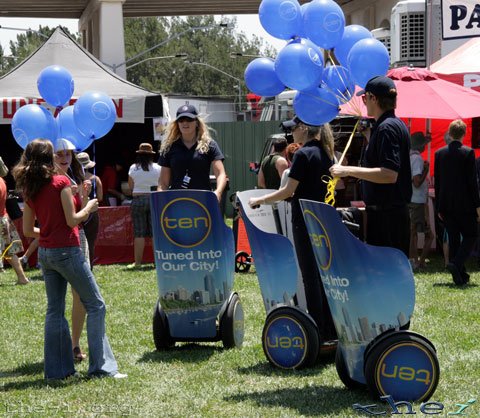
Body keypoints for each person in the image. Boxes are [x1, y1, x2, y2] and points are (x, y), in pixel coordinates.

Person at [12, 139, 126, 379]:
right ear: (49, 158)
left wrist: (53, 231)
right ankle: (101, 368)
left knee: (55, 310)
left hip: (46, 254)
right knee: (96, 305)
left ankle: (57, 371)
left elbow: (28, 229)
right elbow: (74, 220)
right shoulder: (61, 182)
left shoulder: (31, 188)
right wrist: (90, 206)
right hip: (68, 251)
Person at [249, 123, 337, 342]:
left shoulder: (303, 154)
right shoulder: (327, 154)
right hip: (324, 219)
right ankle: (331, 328)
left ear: (305, 128)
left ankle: (319, 330)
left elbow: (288, 191)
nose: (291, 132)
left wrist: (259, 200)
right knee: (323, 275)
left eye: (294, 128)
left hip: (305, 220)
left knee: (310, 277)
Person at [330, 75, 412, 257]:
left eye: (364, 98)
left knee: (386, 272)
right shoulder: (393, 125)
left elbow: (389, 174)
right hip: (389, 213)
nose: (364, 102)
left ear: (373, 98)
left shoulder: (386, 128)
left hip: (387, 216)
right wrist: (369, 136)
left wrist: (347, 170)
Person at [54, 139, 91, 362]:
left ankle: (74, 344)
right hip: (61, 241)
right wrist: (86, 205)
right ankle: (62, 346)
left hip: (78, 237)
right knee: (58, 300)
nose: (65, 157)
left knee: (80, 296)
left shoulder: (72, 178)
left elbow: (81, 217)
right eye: (59, 154)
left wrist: (83, 196)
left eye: (68, 153)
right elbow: (69, 218)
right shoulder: (50, 181)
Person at [434, 119, 480, 286]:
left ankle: (459, 276)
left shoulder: (439, 154)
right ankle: (457, 263)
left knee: (453, 239)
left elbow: (437, 181)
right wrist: (478, 206)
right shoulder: (468, 153)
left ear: (449, 132)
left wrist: (439, 205)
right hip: (465, 204)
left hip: (446, 204)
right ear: (464, 133)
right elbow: (472, 183)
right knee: (471, 235)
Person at [157, 104, 227, 203]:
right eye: (181, 120)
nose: (185, 123)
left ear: (197, 122)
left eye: (189, 119)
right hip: (177, 201)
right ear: (177, 124)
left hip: (203, 201)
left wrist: (218, 192)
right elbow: (163, 182)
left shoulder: (209, 144)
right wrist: (161, 198)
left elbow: (221, 174)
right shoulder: (169, 147)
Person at [127, 143, 161, 269]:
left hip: (138, 199)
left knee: (139, 233)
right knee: (155, 233)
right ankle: (157, 262)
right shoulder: (158, 167)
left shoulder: (133, 168)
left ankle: (138, 262)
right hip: (154, 200)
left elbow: (130, 187)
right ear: (151, 155)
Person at [408, 132, 434, 270]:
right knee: (429, 235)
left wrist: (428, 138)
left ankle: (414, 261)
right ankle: (420, 262)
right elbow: (417, 182)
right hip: (418, 200)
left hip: (411, 198)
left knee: (412, 232)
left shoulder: (409, 157)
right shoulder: (417, 159)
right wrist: (426, 170)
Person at [0, 166, 29, 284]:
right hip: (3, 218)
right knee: (10, 251)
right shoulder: (2, 181)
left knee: (9, 252)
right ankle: (22, 278)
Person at [77, 152, 103, 269]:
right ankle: (89, 266)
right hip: (92, 212)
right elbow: (100, 197)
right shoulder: (95, 179)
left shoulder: (74, 181)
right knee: (90, 241)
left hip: (78, 212)